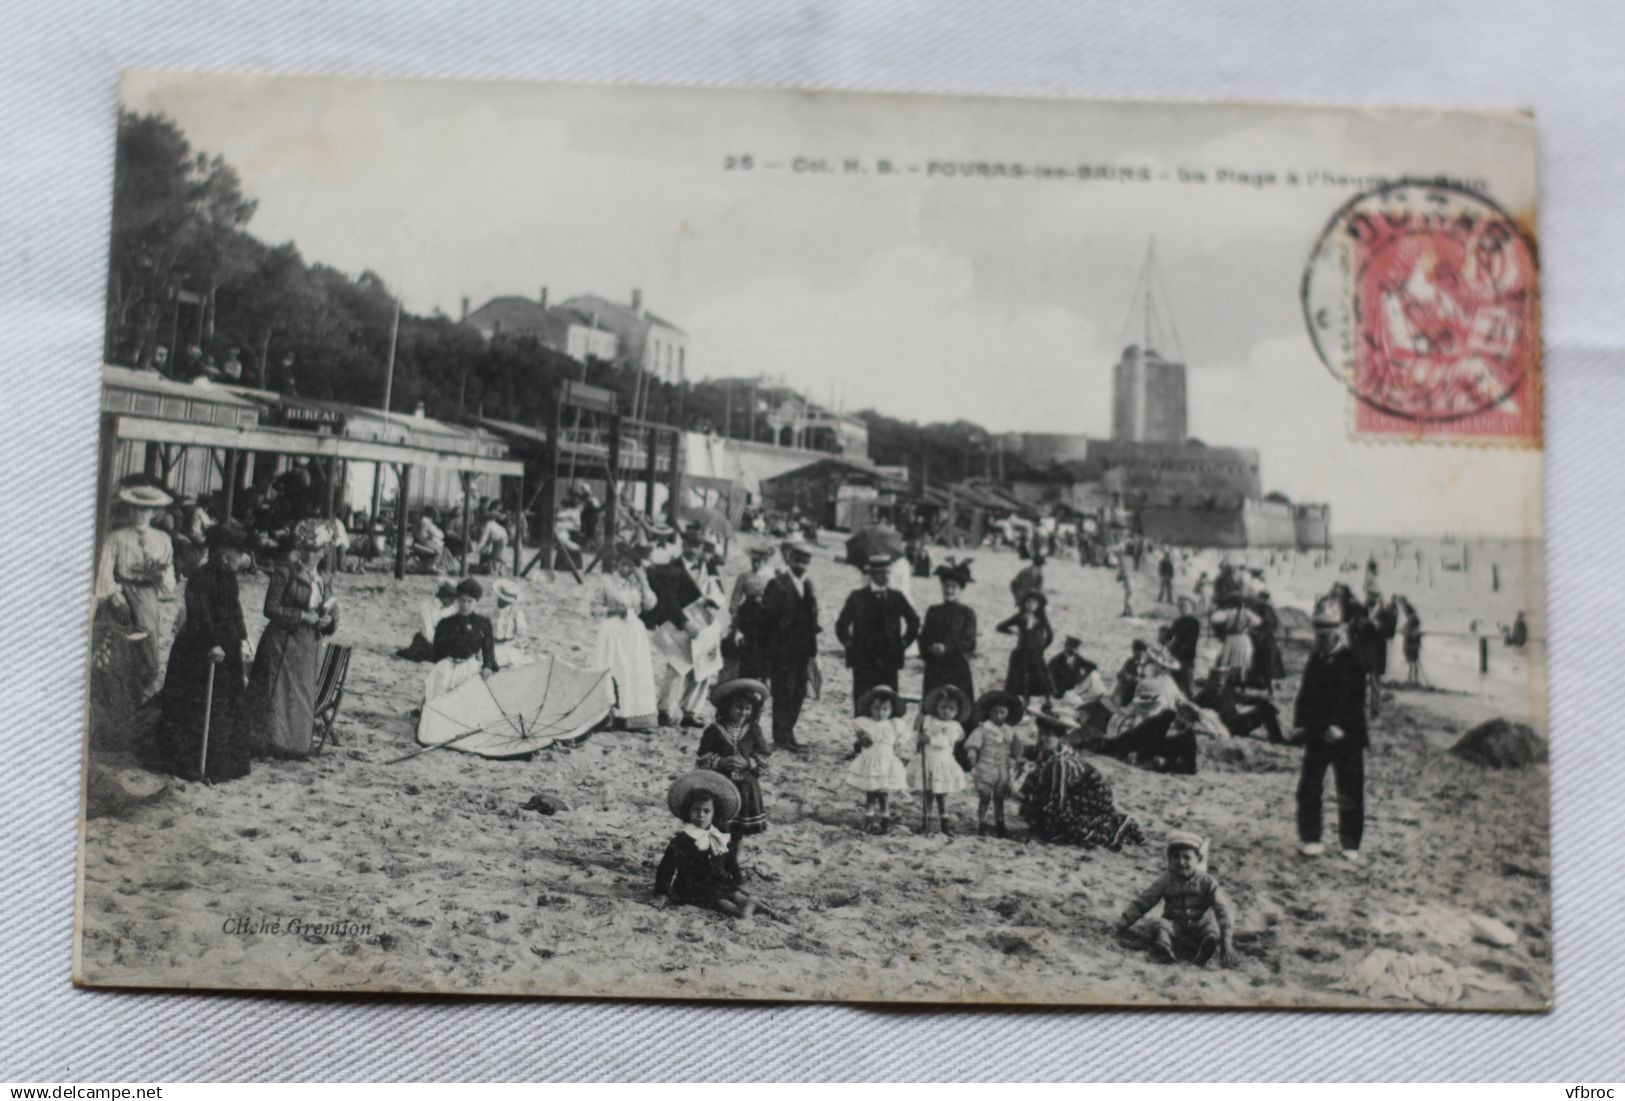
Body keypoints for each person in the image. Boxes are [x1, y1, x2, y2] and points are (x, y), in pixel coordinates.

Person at [150, 522, 254, 782]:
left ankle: (224, 763)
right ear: (222, 554)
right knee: (196, 703)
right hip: (198, 647)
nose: (242, 560)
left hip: (227, 645)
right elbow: (200, 614)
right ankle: (192, 762)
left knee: (227, 701)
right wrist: (211, 643)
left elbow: (235, 609)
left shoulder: (230, 579)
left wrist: (243, 636)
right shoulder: (200, 578)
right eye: (237, 554)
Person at [90, 478, 178, 750]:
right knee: (121, 656)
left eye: (145, 510)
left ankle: (141, 715)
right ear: (129, 510)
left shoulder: (162, 539)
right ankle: (120, 718)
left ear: (154, 513)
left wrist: (161, 577)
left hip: (148, 600)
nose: (139, 514)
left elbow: (169, 579)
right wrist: (115, 595)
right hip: (123, 600)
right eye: (135, 509)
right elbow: (104, 574)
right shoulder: (117, 538)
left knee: (149, 658)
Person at [246, 527, 338, 758]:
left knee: (301, 694)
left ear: (323, 551)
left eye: (315, 549)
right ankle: (269, 743)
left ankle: (294, 745)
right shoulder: (284, 573)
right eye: (306, 548)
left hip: (308, 646)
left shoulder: (323, 580)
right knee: (276, 692)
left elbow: (333, 611)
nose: (310, 554)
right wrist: (302, 616)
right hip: (282, 641)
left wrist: (329, 620)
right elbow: (271, 608)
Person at [1292, 598, 1370, 862]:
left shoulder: (1353, 660)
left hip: (1346, 736)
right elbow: (1305, 694)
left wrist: (1341, 727)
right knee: (1309, 787)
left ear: (1340, 628)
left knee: (1349, 790)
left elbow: (1356, 700)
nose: (1323, 634)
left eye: (1328, 628)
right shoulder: (1316, 659)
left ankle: (1350, 842)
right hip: (1317, 732)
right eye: (1319, 628)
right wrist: (1301, 724)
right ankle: (1311, 837)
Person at [1117, 831, 1237, 967]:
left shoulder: (1207, 882)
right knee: (1161, 925)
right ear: (1169, 859)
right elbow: (1144, 901)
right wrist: (1123, 922)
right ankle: (1163, 948)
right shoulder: (1166, 880)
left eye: (1187, 857)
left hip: (1200, 924)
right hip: (1175, 925)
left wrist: (1227, 942)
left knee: (1211, 928)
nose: (1181, 862)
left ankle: (1206, 949)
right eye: (1175, 857)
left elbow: (1222, 909)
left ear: (1197, 859)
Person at [1018, 720, 1143, 849]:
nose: (1042, 738)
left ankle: (1117, 825)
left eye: (1048, 735)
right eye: (1041, 733)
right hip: (1073, 799)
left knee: (1066, 830)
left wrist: (1021, 797)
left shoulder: (1060, 762)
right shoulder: (1050, 752)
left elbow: (1055, 803)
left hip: (1087, 804)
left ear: (1061, 738)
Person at [644, 528, 724, 728]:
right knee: (678, 666)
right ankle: (665, 710)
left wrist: (714, 601)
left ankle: (691, 710)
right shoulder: (672, 568)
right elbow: (669, 599)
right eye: (690, 544)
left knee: (704, 665)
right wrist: (684, 622)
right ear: (684, 545)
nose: (694, 548)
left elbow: (718, 591)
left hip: (704, 620)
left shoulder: (709, 568)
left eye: (698, 545)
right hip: (680, 621)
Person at [654, 772, 757, 921]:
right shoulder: (682, 840)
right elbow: (666, 868)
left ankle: (762, 907)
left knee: (733, 893)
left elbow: (729, 861)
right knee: (721, 902)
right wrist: (662, 893)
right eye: (696, 810)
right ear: (688, 812)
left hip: (717, 882)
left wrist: (735, 879)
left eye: (706, 811)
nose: (701, 815)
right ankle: (745, 909)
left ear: (714, 813)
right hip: (692, 887)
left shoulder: (718, 835)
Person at [695, 679, 773, 878]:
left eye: (748, 709)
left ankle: (733, 864)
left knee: (737, 830)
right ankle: (717, 864)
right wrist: (721, 762)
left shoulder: (754, 731)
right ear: (727, 707)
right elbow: (702, 758)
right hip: (720, 787)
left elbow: (764, 758)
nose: (743, 713)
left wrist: (748, 764)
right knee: (720, 826)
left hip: (745, 788)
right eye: (738, 708)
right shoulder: (714, 731)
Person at [834, 555, 921, 715]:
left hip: (889, 659)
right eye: (881, 573)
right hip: (864, 659)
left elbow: (913, 621)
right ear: (872, 574)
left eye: (887, 573)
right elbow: (842, 624)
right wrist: (850, 644)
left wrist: (903, 643)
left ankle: (886, 737)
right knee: (862, 698)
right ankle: (862, 737)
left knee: (888, 700)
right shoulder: (858, 597)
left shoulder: (897, 597)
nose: (886, 576)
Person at [760, 541, 820, 752]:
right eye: (799, 559)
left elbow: (813, 616)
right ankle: (780, 735)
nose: (802, 564)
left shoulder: (808, 585)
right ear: (791, 559)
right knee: (783, 691)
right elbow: (767, 619)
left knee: (797, 693)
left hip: (802, 650)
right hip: (782, 649)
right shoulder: (777, 584)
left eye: (806, 561)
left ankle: (789, 733)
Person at [591, 545, 659, 730]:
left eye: (631, 566)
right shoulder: (606, 583)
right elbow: (595, 609)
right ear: (617, 564)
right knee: (615, 669)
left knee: (634, 671)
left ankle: (631, 715)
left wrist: (643, 579)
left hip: (634, 632)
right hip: (612, 631)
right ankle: (609, 714)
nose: (626, 570)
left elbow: (650, 605)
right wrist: (614, 610)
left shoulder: (637, 584)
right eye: (623, 565)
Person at [844, 686, 911, 834]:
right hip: (871, 762)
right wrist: (863, 738)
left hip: (887, 762)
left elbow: (903, 737)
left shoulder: (894, 724)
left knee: (884, 793)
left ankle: (885, 818)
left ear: (891, 710)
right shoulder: (865, 723)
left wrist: (898, 743)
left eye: (885, 709)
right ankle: (869, 819)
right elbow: (859, 735)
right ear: (870, 708)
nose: (880, 713)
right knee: (871, 792)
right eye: (876, 708)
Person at [422, 578, 497, 704]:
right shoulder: (446, 623)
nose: (465, 605)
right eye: (462, 600)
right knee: (437, 698)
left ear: (476, 602)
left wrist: (487, 666)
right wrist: (447, 661)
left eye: (470, 601)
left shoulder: (483, 623)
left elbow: (488, 648)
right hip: (448, 665)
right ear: (457, 600)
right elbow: (437, 651)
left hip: (470, 666)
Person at [907, 685, 970, 834]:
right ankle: (925, 822)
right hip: (927, 761)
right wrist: (920, 715)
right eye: (943, 707)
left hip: (942, 763)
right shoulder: (929, 719)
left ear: (957, 711)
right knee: (927, 795)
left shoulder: (955, 726)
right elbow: (916, 729)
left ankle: (944, 824)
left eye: (951, 708)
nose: (946, 711)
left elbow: (945, 741)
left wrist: (928, 739)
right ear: (937, 707)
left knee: (941, 795)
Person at [964, 690, 1025, 837]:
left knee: (999, 798)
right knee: (984, 796)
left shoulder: (1009, 731)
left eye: (1002, 712)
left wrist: (1018, 758)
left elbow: (1016, 746)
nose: (998, 715)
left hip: (1002, 769)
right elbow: (973, 744)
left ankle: (1000, 824)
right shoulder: (983, 729)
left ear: (1008, 713)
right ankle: (982, 823)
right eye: (995, 712)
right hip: (986, 767)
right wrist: (972, 754)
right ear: (989, 712)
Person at [918, 559, 977, 706]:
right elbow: (924, 637)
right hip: (935, 668)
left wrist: (946, 648)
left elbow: (969, 642)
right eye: (946, 586)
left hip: (957, 668)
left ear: (960, 589)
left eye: (954, 587)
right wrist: (930, 648)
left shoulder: (967, 613)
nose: (949, 590)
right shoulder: (933, 611)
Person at [996, 591, 1055, 704]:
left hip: (1036, 653)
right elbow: (1000, 626)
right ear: (1024, 603)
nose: (1031, 605)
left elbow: (1050, 635)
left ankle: (1048, 701)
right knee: (1022, 678)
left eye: (1034, 602)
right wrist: (1012, 632)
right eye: (1028, 602)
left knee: (1042, 677)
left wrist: (1042, 647)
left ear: (1038, 605)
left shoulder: (1042, 619)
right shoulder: (1020, 617)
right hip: (1022, 652)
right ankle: (1025, 702)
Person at [397, 578, 457, 662]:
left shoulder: (451, 610)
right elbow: (428, 632)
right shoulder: (427, 607)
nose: (453, 602)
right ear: (444, 595)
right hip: (425, 642)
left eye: (455, 599)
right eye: (451, 599)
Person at [1246, 591, 1286, 695]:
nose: (1257, 599)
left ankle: (1270, 689)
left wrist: (1257, 628)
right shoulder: (1264, 608)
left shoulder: (1265, 608)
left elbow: (1267, 622)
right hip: (1264, 638)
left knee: (1267, 664)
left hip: (1264, 639)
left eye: (1259, 598)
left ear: (1262, 599)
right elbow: (1273, 623)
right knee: (1265, 664)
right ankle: (1267, 687)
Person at [1166, 597, 1203, 698]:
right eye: (1181, 606)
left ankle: (1192, 703)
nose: (1183, 608)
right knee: (1174, 683)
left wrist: (1177, 651)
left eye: (1185, 606)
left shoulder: (1194, 622)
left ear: (1191, 608)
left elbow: (1191, 640)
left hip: (1187, 656)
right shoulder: (1177, 621)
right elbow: (1170, 636)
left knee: (1188, 684)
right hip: (1175, 655)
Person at [729, 544, 778, 616]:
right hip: (748, 610)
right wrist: (734, 612)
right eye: (753, 561)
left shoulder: (771, 575)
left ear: (764, 561)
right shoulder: (744, 576)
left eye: (758, 561)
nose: (755, 564)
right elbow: (736, 596)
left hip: (766, 610)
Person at [490, 578, 530, 668]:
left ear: (510, 602)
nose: (500, 601)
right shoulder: (493, 612)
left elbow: (522, 632)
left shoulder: (516, 613)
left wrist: (519, 644)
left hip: (508, 645)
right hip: (493, 643)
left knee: (506, 659)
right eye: (500, 598)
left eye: (504, 600)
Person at [475, 507, 511, 575]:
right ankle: (493, 569)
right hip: (496, 538)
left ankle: (503, 566)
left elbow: (484, 538)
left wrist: (478, 548)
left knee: (496, 556)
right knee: (489, 555)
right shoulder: (489, 523)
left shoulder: (488, 525)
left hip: (502, 538)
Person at [1401, 599, 1424, 685]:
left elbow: (1406, 632)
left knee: (1411, 664)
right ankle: (1414, 680)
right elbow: (1416, 632)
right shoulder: (1414, 619)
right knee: (1414, 664)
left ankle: (1412, 680)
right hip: (1413, 644)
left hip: (1409, 644)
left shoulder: (1410, 620)